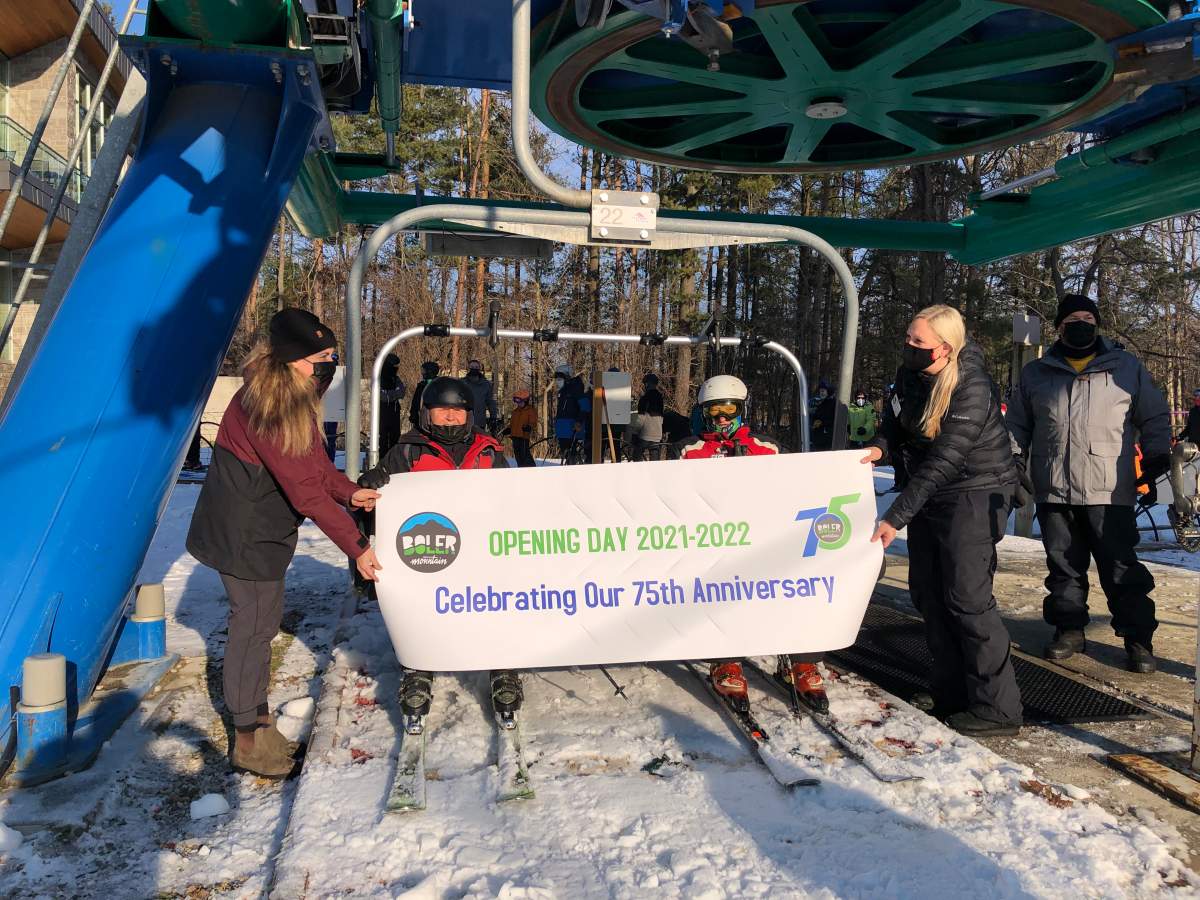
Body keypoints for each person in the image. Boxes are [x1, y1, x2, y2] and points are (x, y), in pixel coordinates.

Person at [187, 308, 382, 778]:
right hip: (244, 536)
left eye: (332, 355)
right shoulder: (270, 406)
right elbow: (306, 491)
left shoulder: (290, 396)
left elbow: (314, 467)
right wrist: (358, 546)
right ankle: (248, 739)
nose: (328, 365)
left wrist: (349, 491)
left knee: (261, 625)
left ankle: (258, 722)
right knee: (252, 631)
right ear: (292, 359)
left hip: (262, 532)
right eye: (321, 357)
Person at [863, 304, 1023, 736]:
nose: (909, 346)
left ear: (945, 349)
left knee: (967, 598)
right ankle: (950, 688)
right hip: (932, 491)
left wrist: (894, 517)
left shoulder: (972, 386)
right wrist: (879, 449)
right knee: (929, 593)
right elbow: (894, 427)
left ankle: (998, 708)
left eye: (918, 342)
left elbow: (945, 461)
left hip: (974, 490)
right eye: (908, 338)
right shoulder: (910, 375)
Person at [1006, 294, 1170, 673]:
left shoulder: (1125, 367)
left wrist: (1159, 454)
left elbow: (1155, 415)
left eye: (1087, 317)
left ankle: (1137, 638)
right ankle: (1069, 629)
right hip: (1054, 487)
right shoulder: (1036, 372)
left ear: (1096, 324)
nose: (1080, 323)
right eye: (1072, 319)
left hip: (1109, 488)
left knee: (1120, 567)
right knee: (1064, 566)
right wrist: (1014, 457)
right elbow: (1017, 422)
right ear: (1059, 327)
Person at [357, 377, 522, 724]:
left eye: (457, 412)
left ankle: (502, 666)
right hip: (433, 554)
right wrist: (371, 485)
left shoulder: (489, 451)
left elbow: (512, 498)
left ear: (469, 414)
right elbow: (379, 498)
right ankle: (419, 667)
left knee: (497, 603)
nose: (450, 418)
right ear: (426, 414)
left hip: (482, 553)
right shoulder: (407, 451)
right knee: (421, 608)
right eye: (442, 411)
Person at [671, 375, 829, 713]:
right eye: (715, 411)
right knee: (713, 581)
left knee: (802, 577)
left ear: (742, 410)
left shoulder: (766, 447)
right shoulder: (689, 451)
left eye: (730, 409)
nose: (723, 418)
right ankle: (725, 661)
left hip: (765, 542)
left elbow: (797, 487)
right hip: (713, 545)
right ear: (704, 413)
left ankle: (801, 661)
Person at [553, 364, 588, 460]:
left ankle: (573, 470)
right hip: (562, 428)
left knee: (571, 454)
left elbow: (585, 407)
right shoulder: (562, 392)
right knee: (565, 453)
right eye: (556, 379)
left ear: (567, 377)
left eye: (560, 379)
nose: (557, 381)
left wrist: (579, 421)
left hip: (571, 428)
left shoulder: (576, 389)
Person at [379, 352, 407, 457]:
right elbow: (381, 396)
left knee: (395, 437)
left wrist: (390, 395)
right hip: (381, 412)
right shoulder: (379, 378)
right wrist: (393, 395)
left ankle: (393, 458)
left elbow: (402, 392)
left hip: (394, 411)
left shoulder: (396, 378)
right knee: (382, 438)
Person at [633, 372, 665, 461]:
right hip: (657, 434)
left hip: (645, 435)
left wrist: (635, 433)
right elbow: (661, 418)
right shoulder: (660, 398)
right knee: (654, 463)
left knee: (636, 457)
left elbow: (641, 418)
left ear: (647, 384)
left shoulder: (644, 398)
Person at [464, 358, 498, 432]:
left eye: (476, 367)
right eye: (472, 367)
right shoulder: (462, 383)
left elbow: (491, 402)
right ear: (469, 368)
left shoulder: (486, 385)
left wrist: (493, 417)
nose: (474, 369)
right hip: (464, 421)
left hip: (479, 421)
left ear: (479, 369)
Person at [506, 389, 537, 468]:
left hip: (523, 437)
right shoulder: (515, 412)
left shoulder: (530, 410)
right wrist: (508, 429)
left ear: (526, 401)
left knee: (524, 455)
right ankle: (521, 469)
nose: (518, 404)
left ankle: (531, 469)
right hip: (515, 437)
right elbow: (512, 423)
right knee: (518, 455)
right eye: (517, 402)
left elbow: (533, 422)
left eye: (520, 402)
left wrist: (529, 427)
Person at [409, 360, 440, 429]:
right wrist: (413, 414)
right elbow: (415, 401)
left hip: (433, 418)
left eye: (423, 371)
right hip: (420, 417)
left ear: (429, 371)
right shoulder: (421, 385)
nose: (422, 373)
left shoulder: (439, 384)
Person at [811, 381, 836, 450]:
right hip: (819, 437)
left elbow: (834, 419)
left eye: (823, 391)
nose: (821, 393)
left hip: (827, 437)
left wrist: (822, 423)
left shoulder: (834, 403)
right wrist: (815, 422)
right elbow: (816, 416)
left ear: (828, 391)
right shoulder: (821, 403)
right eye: (820, 391)